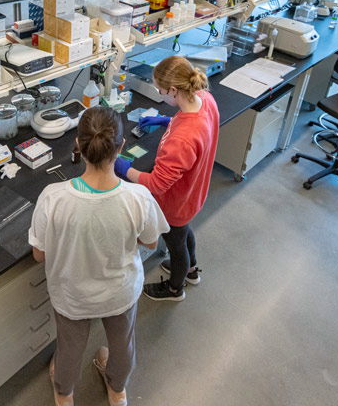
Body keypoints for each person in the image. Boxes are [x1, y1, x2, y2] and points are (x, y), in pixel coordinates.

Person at [29, 106, 169, 406]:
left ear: (78, 145)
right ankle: (118, 390)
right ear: (120, 147)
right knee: (122, 345)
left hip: (72, 296)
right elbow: (152, 242)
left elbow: (39, 255)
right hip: (120, 292)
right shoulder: (138, 197)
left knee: (69, 348)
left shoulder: (53, 198)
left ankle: (64, 394)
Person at [114, 55, 220, 302]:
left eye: (160, 90)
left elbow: (157, 183)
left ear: (173, 90)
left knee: (175, 244)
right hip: (194, 191)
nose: (159, 94)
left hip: (175, 203)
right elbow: (194, 128)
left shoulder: (182, 140)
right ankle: (191, 270)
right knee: (183, 232)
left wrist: (124, 168)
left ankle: (175, 289)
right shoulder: (204, 99)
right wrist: (167, 121)